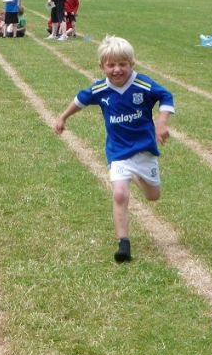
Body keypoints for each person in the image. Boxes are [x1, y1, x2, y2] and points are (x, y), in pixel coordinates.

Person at [54, 36, 175, 263]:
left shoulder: (142, 85)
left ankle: (139, 178)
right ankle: (123, 244)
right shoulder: (100, 89)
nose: (117, 70)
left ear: (132, 64)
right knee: (119, 194)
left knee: (153, 196)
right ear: (102, 67)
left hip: (144, 150)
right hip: (118, 152)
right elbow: (80, 99)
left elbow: (166, 96)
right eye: (111, 65)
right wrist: (62, 117)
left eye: (123, 64)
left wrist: (161, 122)